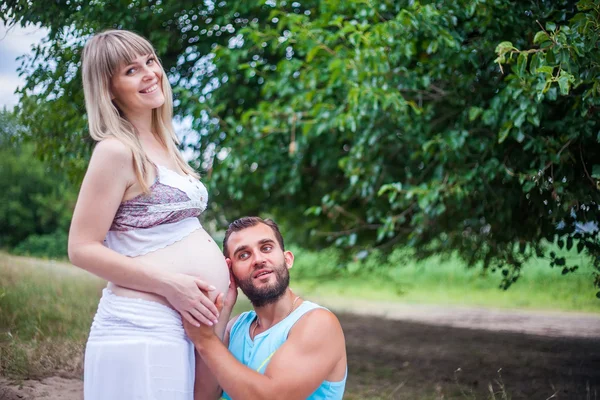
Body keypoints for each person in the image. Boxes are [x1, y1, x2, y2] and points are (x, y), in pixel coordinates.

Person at [68, 30, 230, 400]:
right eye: (130, 70)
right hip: (143, 329)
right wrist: (172, 285)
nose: (149, 73)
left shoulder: (167, 144)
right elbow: (81, 248)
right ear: (108, 89)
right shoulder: (115, 151)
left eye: (150, 61)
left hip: (184, 327)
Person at [184, 217, 347, 400]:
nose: (258, 259)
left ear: (287, 259)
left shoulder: (318, 323)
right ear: (232, 273)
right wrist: (225, 308)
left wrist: (205, 340)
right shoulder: (235, 328)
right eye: (243, 255)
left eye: (266, 248)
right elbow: (203, 396)